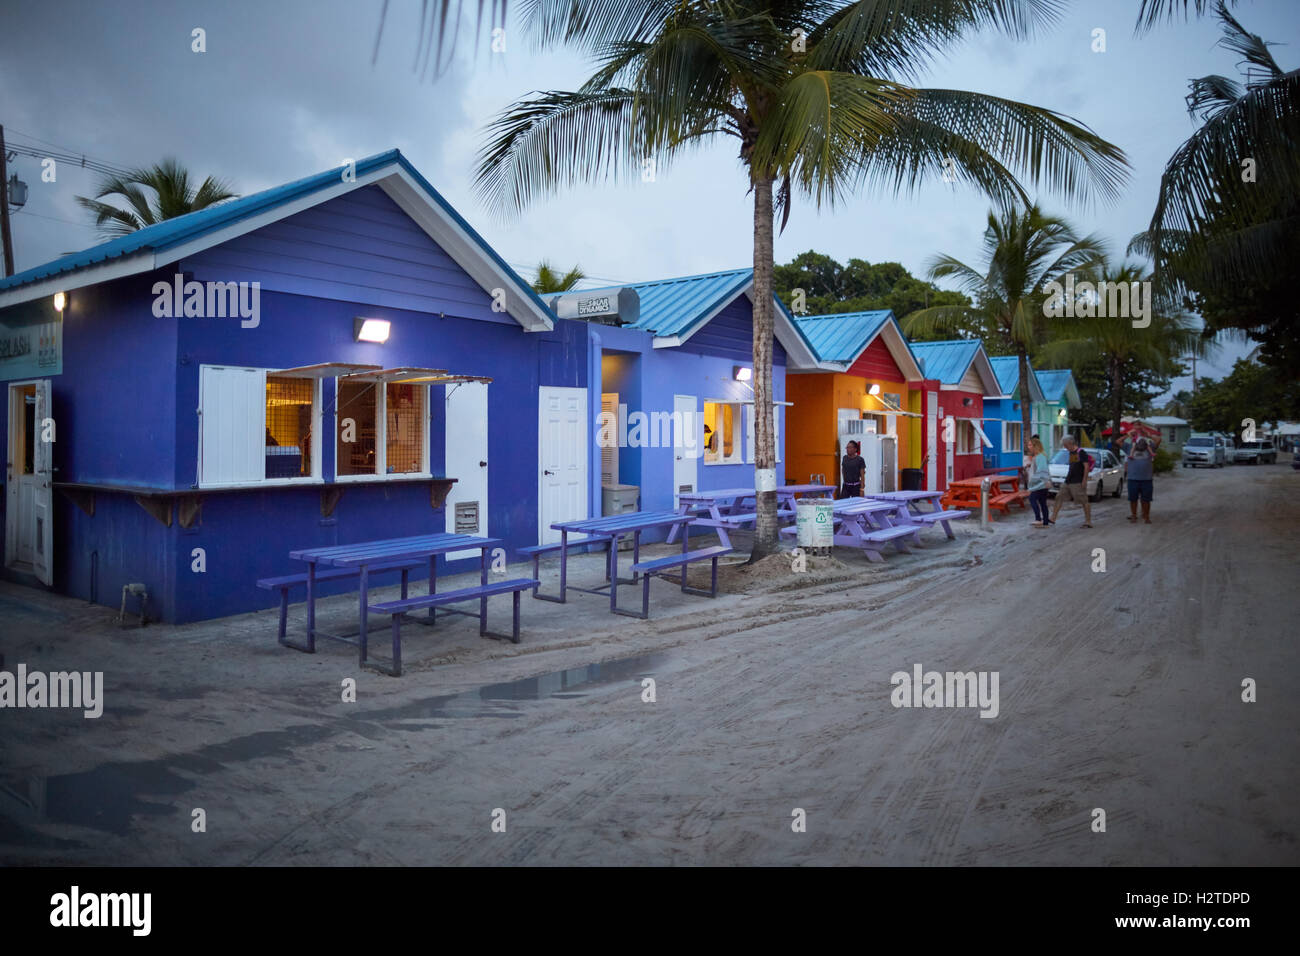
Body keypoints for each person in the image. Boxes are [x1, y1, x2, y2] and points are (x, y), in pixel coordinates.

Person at [1049, 436, 1093, 528]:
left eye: (1065, 445)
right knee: (1059, 497)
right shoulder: (1071, 453)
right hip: (1068, 480)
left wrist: (1084, 480)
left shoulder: (1081, 452)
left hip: (1077, 481)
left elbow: (1086, 467)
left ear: (1070, 443)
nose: (1065, 447)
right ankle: (1053, 518)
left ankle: (1088, 521)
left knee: (1084, 500)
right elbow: (1072, 467)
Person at [1126, 436, 1155, 523]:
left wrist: (1148, 434)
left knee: (1146, 500)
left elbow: (1158, 440)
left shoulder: (1150, 446)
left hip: (1147, 479)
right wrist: (1128, 434)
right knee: (1133, 499)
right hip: (1132, 478)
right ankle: (1134, 516)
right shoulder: (1129, 447)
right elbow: (1118, 441)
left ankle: (1146, 516)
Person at [1026, 436, 1052, 527]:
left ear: (1035, 446)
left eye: (1030, 445)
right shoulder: (1038, 457)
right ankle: (1045, 522)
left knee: (1032, 499)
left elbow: (1041, 473)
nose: (1028, 447)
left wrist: (1032, 487)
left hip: (1040, 484)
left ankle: (1038, 519)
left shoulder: (1040, 457)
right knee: (1042, 503)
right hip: (1041, 484)